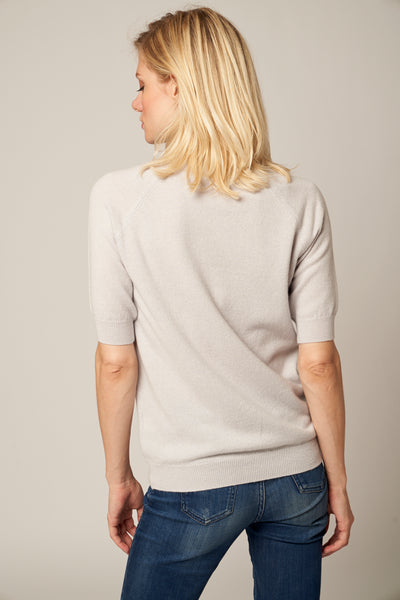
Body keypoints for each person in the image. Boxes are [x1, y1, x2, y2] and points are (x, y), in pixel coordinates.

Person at [88, 7, 355, 600]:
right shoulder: (300, 200)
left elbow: (115, 362)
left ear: (177, 86)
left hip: (193, 480)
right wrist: (336, 483)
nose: (136, 102)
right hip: (297, 477)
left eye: (142, 85)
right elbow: (319, 362)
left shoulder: (119, 199)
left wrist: (119, 477)